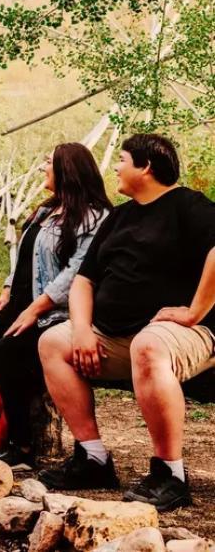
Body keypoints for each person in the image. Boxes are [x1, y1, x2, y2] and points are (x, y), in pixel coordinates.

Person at [38, 134, 215, 510]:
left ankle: (171, 474)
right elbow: (84, 281)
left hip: (186, 333)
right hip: (116, 336)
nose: (115, 167)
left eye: (122, 159)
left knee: (148, 345)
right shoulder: (119, 215)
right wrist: (83, 330)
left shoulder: (188, 206)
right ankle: (93, 459)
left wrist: (195, 310)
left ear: (146, 166)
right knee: (54, 342)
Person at [0, 143, 112, 468]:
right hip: (22, 303)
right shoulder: (47, 210)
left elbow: (77, 272)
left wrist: (37, 308)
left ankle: (23, 445)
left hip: (54, 315)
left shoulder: (93, 217)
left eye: (49, 162)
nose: (44, 167)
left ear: (67, 169)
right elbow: (25, 257)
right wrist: (6, 289)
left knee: (6, 353)